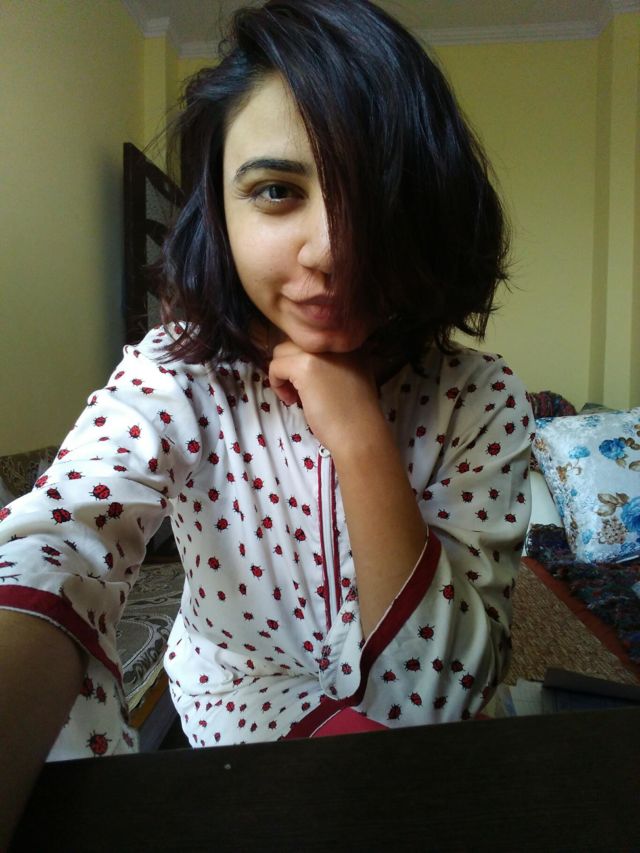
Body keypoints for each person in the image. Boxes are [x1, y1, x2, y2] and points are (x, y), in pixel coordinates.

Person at [0, 0, 532, 839]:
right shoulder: (175, 374)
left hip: (418, 762)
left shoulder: (481, 399)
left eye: (377, 192)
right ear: (220, 212)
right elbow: (58, 545)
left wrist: (359, 436)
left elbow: (437, 698)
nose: (333, 249)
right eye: (278, 191)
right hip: (235, 721)